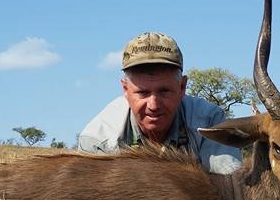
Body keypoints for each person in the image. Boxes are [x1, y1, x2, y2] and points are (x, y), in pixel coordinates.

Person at [77, 32, 243, 174]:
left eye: (164, 91)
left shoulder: (209, 123)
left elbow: (229, 190)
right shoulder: (98, 140)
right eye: (143, 92)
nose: (154, 105)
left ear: (182, 87)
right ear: (125, 90)